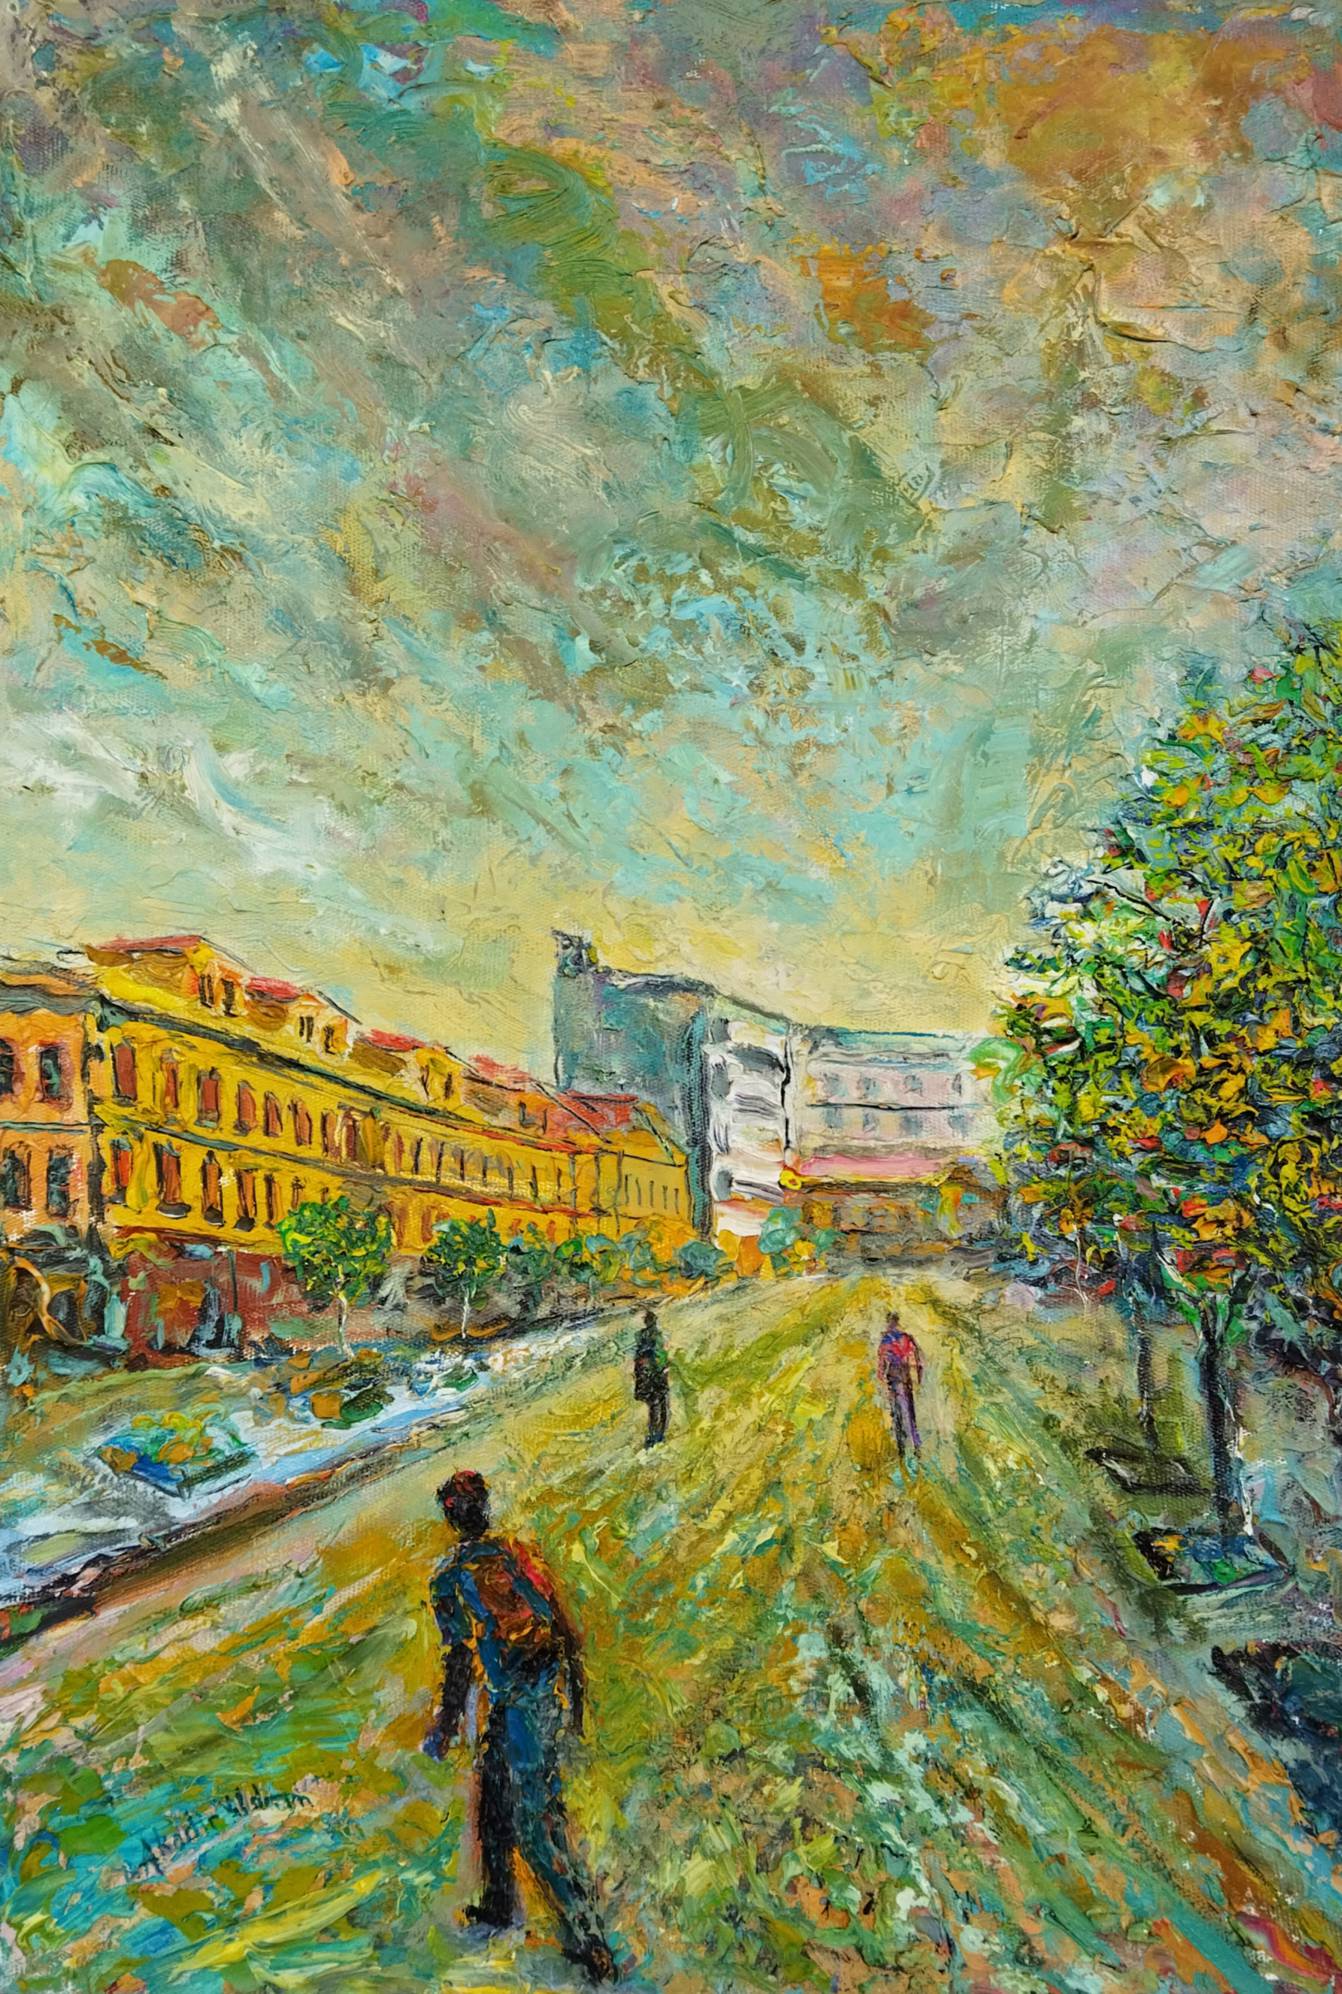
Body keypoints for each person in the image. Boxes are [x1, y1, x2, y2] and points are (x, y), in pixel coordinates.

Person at [424, 1470, 616, 1984]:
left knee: (535, 1823)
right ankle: (499, 1904)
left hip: (520, 1702)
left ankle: (590, 1941)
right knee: (494, 1799)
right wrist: (577, 1694)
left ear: (452, 1519)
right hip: (541, 1692)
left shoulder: (450, 1579)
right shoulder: (515, 1553)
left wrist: (445, 1723)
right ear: (483, 1510)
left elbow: (458, 1661)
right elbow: (562, 1625)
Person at [877, 1313, 924, 1463]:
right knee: (909, 1411)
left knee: (897, 1412)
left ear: (889, 1322)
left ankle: (902, 1448)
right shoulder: (906, 1338)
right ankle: (916, 1446)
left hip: (894, 1377)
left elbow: (881, 1363)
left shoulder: (886, 1339)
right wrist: (918, 1377)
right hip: (905, 1376)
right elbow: (918, 1360)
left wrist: (882, 1379)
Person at [632, 1309, 670, 1447]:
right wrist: (664, 1368)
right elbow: (661, 1355)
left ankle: (654, 1436)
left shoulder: (640, 1336)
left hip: (647, 1375)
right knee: (662, 1405)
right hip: (657, 1374)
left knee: (654, 1406)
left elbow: (638, 1357)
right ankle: (658, 1435)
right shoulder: (659, 1336)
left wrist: (639, 1374)